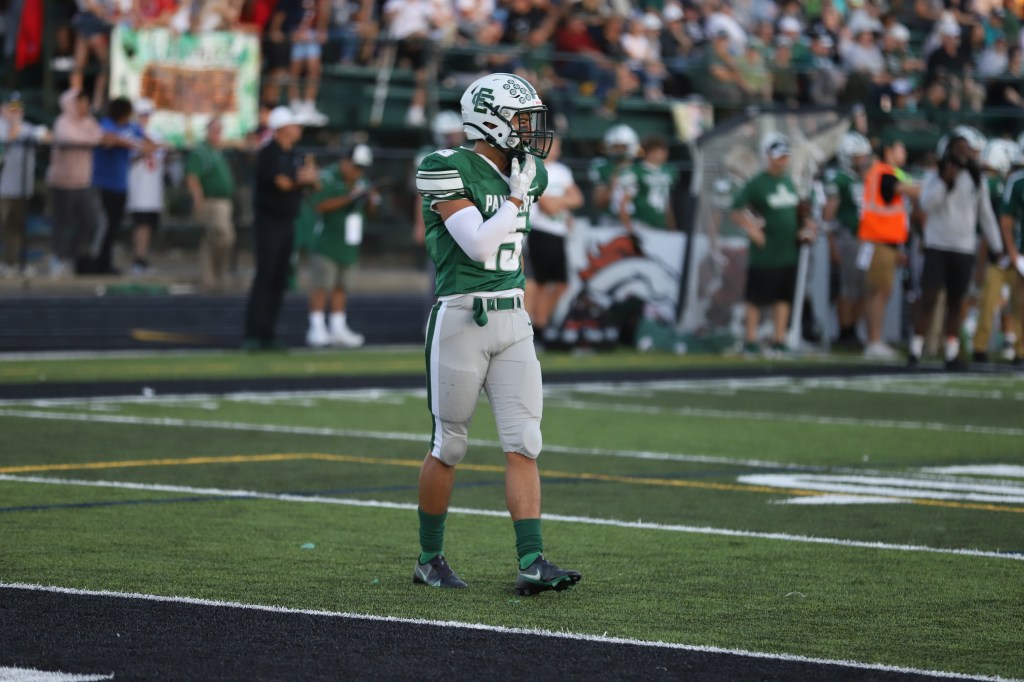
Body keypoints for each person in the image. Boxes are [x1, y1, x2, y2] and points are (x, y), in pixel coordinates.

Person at [412, 73, 580, 595]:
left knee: (525, 441)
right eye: (522, 120)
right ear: (490, 120)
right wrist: (514, 199)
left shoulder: (528, 171)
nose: (531, 131)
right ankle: (429, 558)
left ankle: (532, 560)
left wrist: (518, 189)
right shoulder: (444, 166)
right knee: (449, 445)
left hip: (513, 317)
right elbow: (479, 246)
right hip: (462, 318)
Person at [910, 132, 1004, 369]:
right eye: (958, 149)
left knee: (956, 302)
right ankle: (915, 350)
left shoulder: (977, 179)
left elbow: (986, 216)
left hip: (963, 247)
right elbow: (926, 204)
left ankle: (951, 352)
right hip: (937, 245)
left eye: (966, 150)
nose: (963, 154)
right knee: (929, 298)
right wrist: (945, 181)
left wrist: (997, 247)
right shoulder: (935, 177)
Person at [729, 133, 814, 355]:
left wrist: (805, 226)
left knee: (783, 297)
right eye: (779, 156)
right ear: (767, 157)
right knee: (756, 298)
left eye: (785, 156)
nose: (783, 160)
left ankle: (779, 340)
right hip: (765, 253)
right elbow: (735, 209)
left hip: (788, 251)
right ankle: (751, 340)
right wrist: (752, 228)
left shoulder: (790, 182)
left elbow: (799, 213)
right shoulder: (758, 183)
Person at [243, 106, 318, 350]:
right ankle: (253, 333)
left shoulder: (295, 154)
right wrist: (302, 180)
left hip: (288, 221)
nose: (298, 129)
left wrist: (310, 179)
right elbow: (283, 183)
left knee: (279, 277)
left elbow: (313, 184)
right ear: (283, 128)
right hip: (269, 222)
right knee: (265, 276)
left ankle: (268, 332)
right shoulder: (269, 153)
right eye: (294, 125)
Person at [304, 143, 379, 348]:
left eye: (362, 168)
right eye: (356, 166)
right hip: (327, 242)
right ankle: (316, 326)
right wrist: (350, 197)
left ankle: (338, 326)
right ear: (345, 162)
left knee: (341, 286)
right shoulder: (328, 177)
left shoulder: (362, 181)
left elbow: (372, 211)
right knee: (321, 285)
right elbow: (319, 204)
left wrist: (370, 198)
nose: (358, 171)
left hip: (349, 244)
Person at [857, 133, 919, 360]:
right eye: (900, 149)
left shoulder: (884, 172)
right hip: (879, 241)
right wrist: (934, 185)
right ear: (888, 151)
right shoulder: (884, 173)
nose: (904, 153)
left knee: (879, 292)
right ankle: (874, 341)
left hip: (885, 242)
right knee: (879, 292)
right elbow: (905, 190)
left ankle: (874, 340)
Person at [528, 136, 583, 346]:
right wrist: (564, 202)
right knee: (542, 284)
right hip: (541, 230)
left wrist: (557, 201)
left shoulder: (562, 171)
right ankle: (539, 329)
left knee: (561, 284)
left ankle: (541, 325)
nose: (558, 150)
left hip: (559, 232)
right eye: (555, 146)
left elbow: (578, 199)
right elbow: (547, 207)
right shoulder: (533, 168)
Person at [45, 89, 104, 279]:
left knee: (90, 220)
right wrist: (89, 140)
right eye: (79, 103)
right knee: (62, 221)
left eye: (85, 102)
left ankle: (70, 256)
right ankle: (57, 258)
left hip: (83, 181)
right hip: (62, 182)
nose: (83, 106)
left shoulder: (89, 121)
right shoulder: (62, 121)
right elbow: (68, 139)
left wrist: (89, 139)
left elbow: (99, 137)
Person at [972, 139, 1021, 362]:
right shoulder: (1001, 189)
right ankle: (980, 346)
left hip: (1013, 255)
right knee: (989, 303)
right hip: (1000, 256)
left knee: (1015, 305)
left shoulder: (1008, 186)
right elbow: (993, 227)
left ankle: (1015, 346)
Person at [823, 131, 872, 350]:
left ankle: (853, 330)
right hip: (849, 237)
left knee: (863, 288)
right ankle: (845, 331)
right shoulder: (839, 179)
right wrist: (832, 243)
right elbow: (829, 215)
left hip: (868, 239)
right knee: (848, 288)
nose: (862, 160)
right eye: (857, 156)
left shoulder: (868, 177)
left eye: (864, 156)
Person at [92, 97, 149, 275]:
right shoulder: (107, 123)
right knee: (104, 224)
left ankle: (105, 262)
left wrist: (140, 148)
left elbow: (147, 144)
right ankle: (98, 262)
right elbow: (108, 139)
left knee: (114, 225)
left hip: (121, 184)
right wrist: (133, 144)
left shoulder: (132, 127)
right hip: (103, 183)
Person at [187, 117, 237, 292]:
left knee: (212, 240)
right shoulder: (201, 152)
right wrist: (198, 201)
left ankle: (211, 278)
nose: (217, 134)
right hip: (212, 201)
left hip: (223, 201)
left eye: (219, 131)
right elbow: (192, 177)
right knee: (224, 236)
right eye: (214, 131)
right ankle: (214, 275)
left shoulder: (217, 151)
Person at [0, 94, 47, 277]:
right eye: (11, 107)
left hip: (21, 188)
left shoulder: (26, 127)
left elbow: (47, 136)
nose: (15, 111)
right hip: (3, 189)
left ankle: (12, 263)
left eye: (18, 107)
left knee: (16, 228)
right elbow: (8, 139)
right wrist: (14, 125)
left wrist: (40, 133)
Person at [125, 98, 165, 276]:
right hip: (138, 187)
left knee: (149, 224)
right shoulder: (129, 135)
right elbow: (129, 158)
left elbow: (162, 156)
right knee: (140, 224)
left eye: (147, 115)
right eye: (141, 115)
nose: (145, 118)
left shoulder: (156, 135)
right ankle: (137, 259)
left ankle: (143, 257)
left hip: (153, 188)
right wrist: (145, 150)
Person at [615, 135, 677, 232]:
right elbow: (624, 202)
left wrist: (672, 226)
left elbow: (666, 202)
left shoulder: (668, 171)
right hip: (641, 224)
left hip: (661, 223)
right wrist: (629, 229)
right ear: (651, 152)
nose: (665, 154)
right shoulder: (635, 172)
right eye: (661, 151)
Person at [998, 146, 1024, 366]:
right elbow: (1006, 219)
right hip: (1022, 251)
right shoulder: (1017, 181)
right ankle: (1020, 349)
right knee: (1020, 303)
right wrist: (1012, 251)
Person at [587, 123, 639, 224]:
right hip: (610, 221)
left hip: (641, 221)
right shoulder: (601, 167)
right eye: (615, 147)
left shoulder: (640, 168)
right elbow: (599, 202)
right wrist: (612, 182)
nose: (619, 151)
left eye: (622, 147)